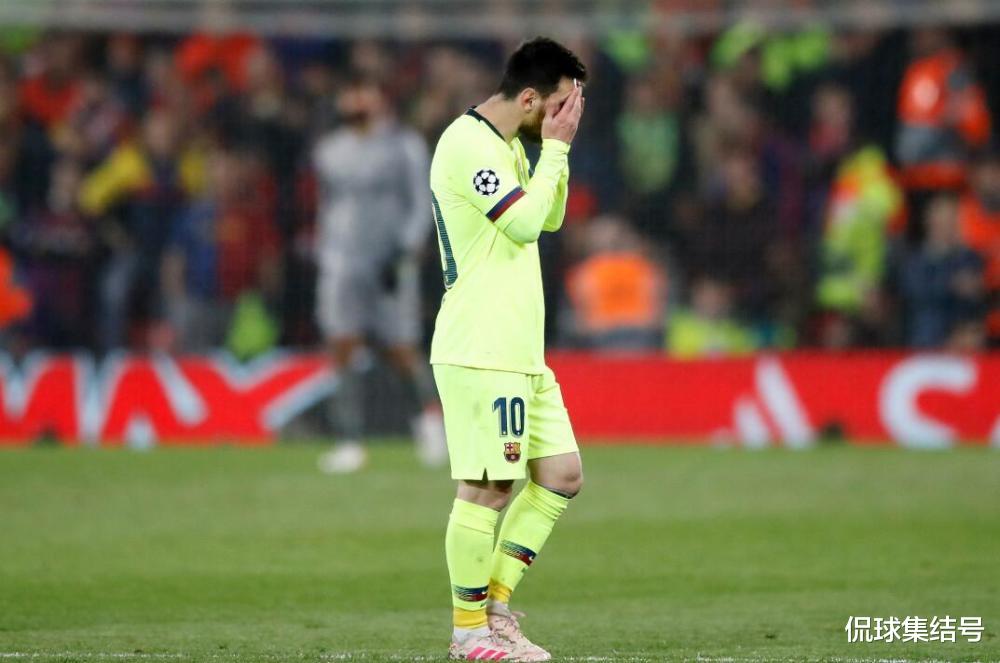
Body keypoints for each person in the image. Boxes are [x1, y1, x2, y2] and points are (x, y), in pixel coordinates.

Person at [428, 37, 586, 661]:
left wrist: (553, 152)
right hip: (481, 346)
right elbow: (520, 223)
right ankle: (469, 633)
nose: (566, 117)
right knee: (488, 487)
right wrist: (556, 149)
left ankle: (494, 611)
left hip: (520, 350)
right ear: (528, 98)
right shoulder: (467, 145)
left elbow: (548, 218)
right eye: (560, 104)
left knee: (562, 475)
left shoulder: (513, 147)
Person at [312, 75, 445, 473]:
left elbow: (421, 202)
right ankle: (349, 441)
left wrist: (405, 250)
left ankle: (428, 425)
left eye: (363, 94)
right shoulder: (330, 150)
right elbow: (327, 206)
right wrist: (324, 251)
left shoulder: (404, 146)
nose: (356, 102)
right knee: (342, 345)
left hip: (389, 261)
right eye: (350, 94)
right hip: (342, 262)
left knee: (400, 349)